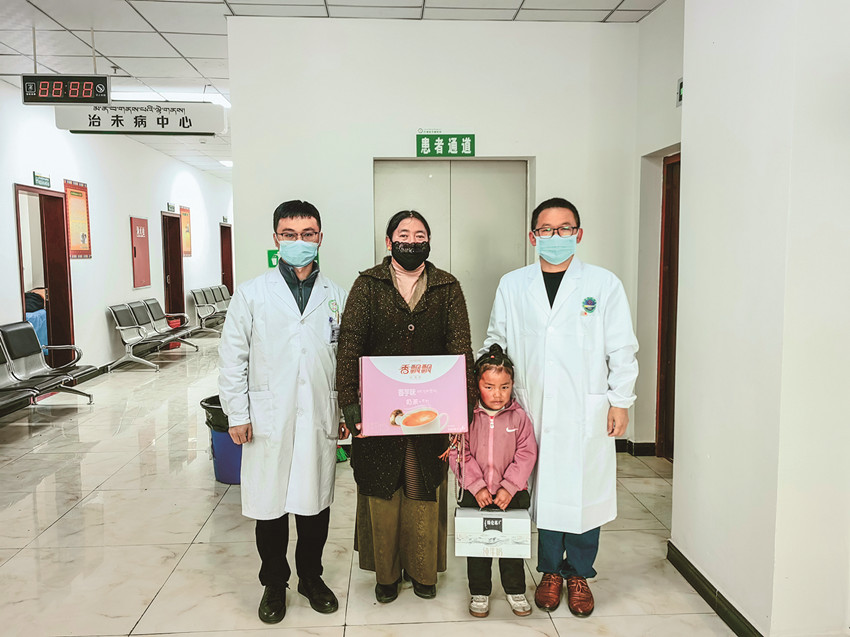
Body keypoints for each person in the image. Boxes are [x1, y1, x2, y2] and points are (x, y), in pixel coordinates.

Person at [482, 197, 638, 618]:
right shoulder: (513, 284)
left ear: (578, 234)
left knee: (584, 490)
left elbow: (622, 348)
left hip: (586, 407)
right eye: (547, 229)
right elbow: (496, 340)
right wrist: (491, 384)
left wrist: (621, 401)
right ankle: (550, 571)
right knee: (546, 489)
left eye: (565, 228)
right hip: (530, 408)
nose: (556, 236)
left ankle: (580, 573)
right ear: (533, 236)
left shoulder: (603, 284)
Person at [336, 210, 476, 603]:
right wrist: (348, 401)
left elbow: (461, 347)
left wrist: (463, 407)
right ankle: (386, 574)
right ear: (388, 242)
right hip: (379, 411)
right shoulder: (368, 285)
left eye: (419, 235)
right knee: (382, 487)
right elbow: (349, 344)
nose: (411, 242)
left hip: (432, 409)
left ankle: (422, 570)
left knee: (422, 484)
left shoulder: (447, 287)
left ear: (428, 242)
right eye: (403, 234)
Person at [218, 200, 348, 624]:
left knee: (315, 503)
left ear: (320, 238)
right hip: (267, 417)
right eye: (289, 235)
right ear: (276, 238)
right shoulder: (252, 293)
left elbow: (346, 359)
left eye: (307, 234)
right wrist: (237, 413)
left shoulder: (336, 295)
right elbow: (232, 357)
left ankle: (311, 577)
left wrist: (346, 410)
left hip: (319, 413)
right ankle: (274, 583)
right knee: (270, 506)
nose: (299, 242)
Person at [448, 344, 538, 619]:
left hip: (512, 495)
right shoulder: (466, 418)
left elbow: (527, 453)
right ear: (477, 385)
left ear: (512, 386)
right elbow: (458, 452)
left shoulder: (519, 417)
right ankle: (479, 591)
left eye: (504, 387)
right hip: (475, 494)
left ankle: (515, 589)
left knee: (512, 545)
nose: (497, 394)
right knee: (478, 546)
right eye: (489, 387)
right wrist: (476, 486)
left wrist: (509, 487)